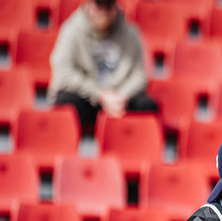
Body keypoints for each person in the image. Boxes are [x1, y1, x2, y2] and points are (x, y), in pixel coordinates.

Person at [48, 0, 159, 137]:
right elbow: (63, 72)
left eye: (108, 6)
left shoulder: (131, 32)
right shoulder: (71, 30)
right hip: (87, 96)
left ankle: (133, 152)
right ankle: (70, 152)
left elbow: (140, 74)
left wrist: (121, 96)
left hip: (120, 98)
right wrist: (100, 95)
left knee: (147, 105)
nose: (104, 11)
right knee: (67, 103)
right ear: (89, 5)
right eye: (99, 5)